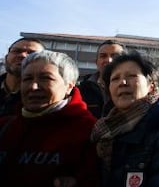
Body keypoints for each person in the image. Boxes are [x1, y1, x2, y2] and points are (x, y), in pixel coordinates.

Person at [91, 52, 159, 187]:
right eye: (115, 79)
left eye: (131, 76)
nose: (122, 83)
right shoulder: (105, 128)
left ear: (151, 85)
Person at [0, 50, 99, 187]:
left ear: (69, 86)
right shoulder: (5, 127)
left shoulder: (90, 132)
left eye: (46, 78)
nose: (33, 87)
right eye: (27, 79)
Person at [78, 39, 127, 118]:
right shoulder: (80, 91)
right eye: (103, 56)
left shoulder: (132, 89)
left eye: (115, 56)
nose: (109, 60)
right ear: (96, 61)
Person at [0, 37, 45, 116]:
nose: (22, 55)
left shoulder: (44, 96)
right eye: (16, 51)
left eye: (31, 53)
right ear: (6, 58)